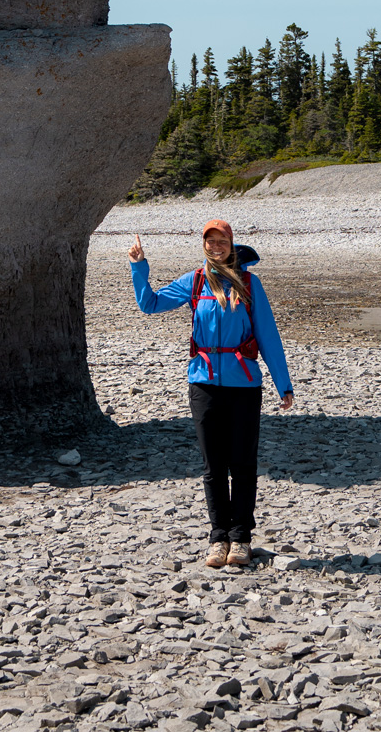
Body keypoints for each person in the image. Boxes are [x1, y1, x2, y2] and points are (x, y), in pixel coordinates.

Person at [128, 219, 293, 569]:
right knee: (213, 466)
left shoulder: (249, 283)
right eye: (210, 240)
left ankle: (241, 539)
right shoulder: (195, 281)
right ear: (203, 244)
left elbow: (268, 335)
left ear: (231, 244)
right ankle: (219, 538)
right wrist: (139, 266)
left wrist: (284, 383)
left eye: (222, 241)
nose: (216, 246)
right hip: (202, 383)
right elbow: (150, 304)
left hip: (244, 385)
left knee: (243, 465)